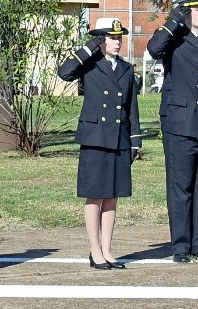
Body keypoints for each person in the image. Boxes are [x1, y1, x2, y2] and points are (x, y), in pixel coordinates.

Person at [147, 0, 198, 262]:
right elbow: (153, 48)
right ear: (185, 11)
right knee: (181, 187)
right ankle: (180, 247)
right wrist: (173, 22)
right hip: (180, 124)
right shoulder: (175, 39)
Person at [60, 17, 141, 269]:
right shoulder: (90, 65)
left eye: (119, 38)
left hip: (118, 138)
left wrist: (135, 139)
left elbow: (131, 108)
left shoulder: (126, 69)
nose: (117, 42)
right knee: (95, 196)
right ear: (100, 40)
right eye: (112, 38)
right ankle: (94, 250)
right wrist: (88, 47)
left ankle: (107, 249)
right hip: (95, 138)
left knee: (112, 197)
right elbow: (64, 72)